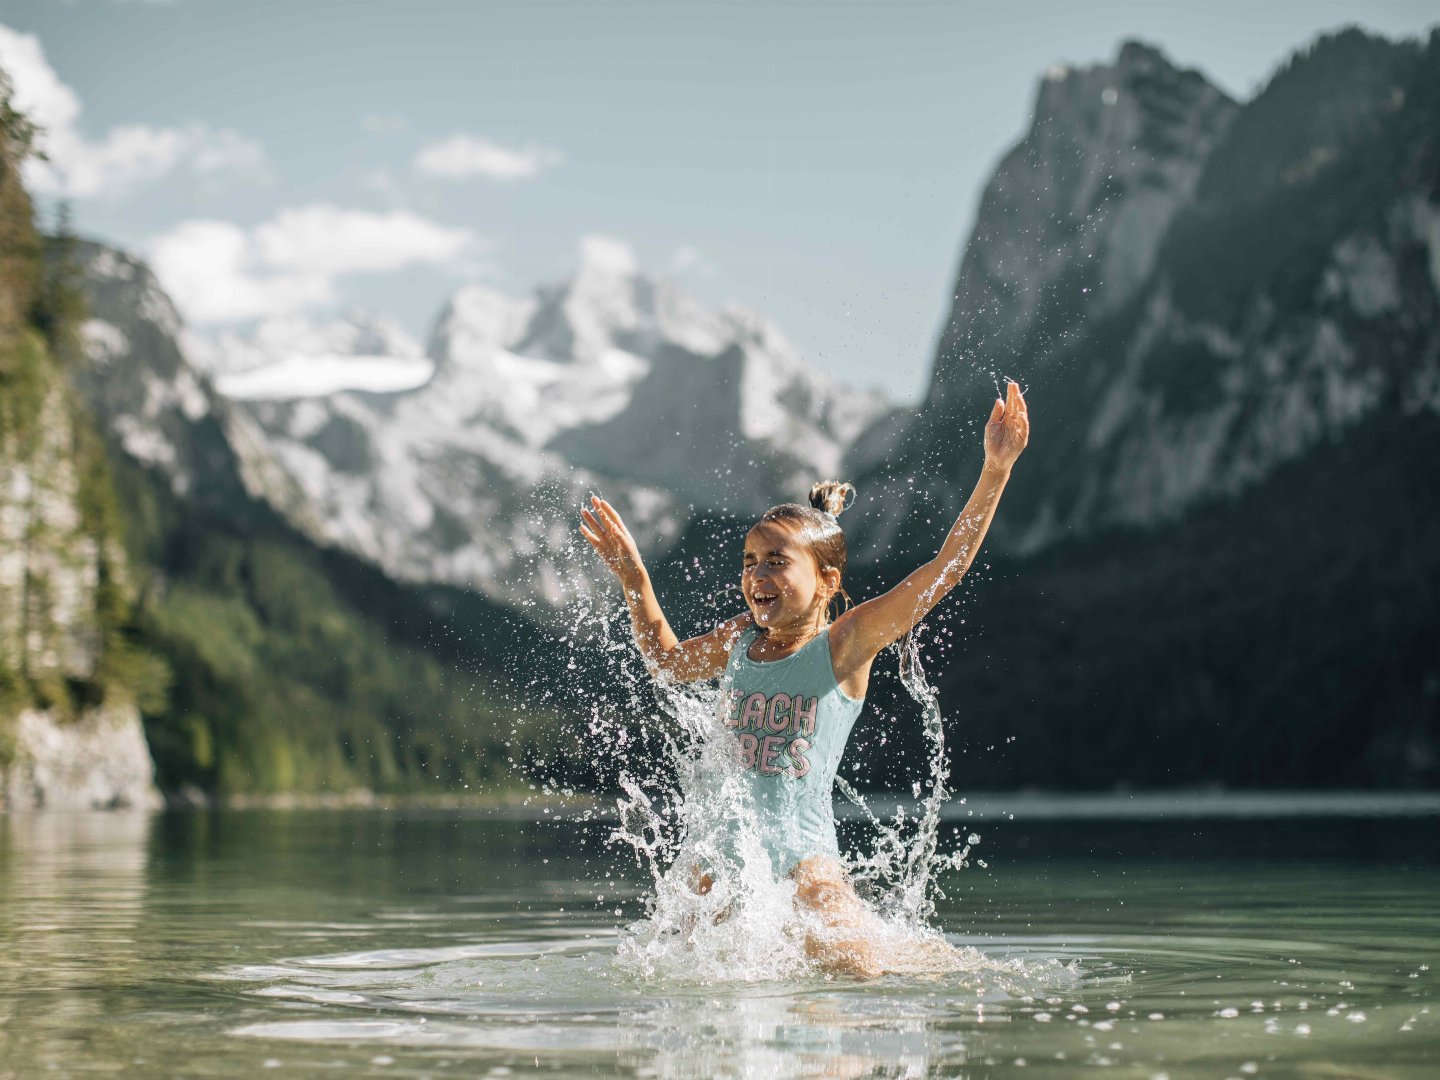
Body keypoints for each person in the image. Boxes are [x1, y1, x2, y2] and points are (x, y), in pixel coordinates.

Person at [579, 380, 1030, 977]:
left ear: (826, 580)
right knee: (677, 983)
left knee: (867, 971)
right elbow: (668, 664)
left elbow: (942, 571)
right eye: (748, 561)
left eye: (775, 561)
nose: (756, 574)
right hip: (715, 862)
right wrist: (636, 582)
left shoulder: (845, 644)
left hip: (804, 862)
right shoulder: (739, 639)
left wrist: (995, 470)